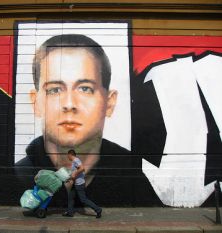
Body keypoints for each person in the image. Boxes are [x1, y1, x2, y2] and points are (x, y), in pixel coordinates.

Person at [14, 34, 162, 207]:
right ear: (36, 102)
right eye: (54, 90)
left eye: (85, 88)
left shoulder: (134, 177)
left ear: (109, 102)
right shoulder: (16, 178)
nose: (69, 104)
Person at [63, 149, 102, 218]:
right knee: (71, 197)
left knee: (83, 199)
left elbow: (82, 168)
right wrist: (70, 179)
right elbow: (76, 173)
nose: (67, 157)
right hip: (75, 184)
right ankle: (70, 212)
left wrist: (74, 173)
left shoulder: (76, 160)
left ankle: (98, 210)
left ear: (70, 155)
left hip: (79, 184)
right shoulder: (74, 161)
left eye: (68, 156)